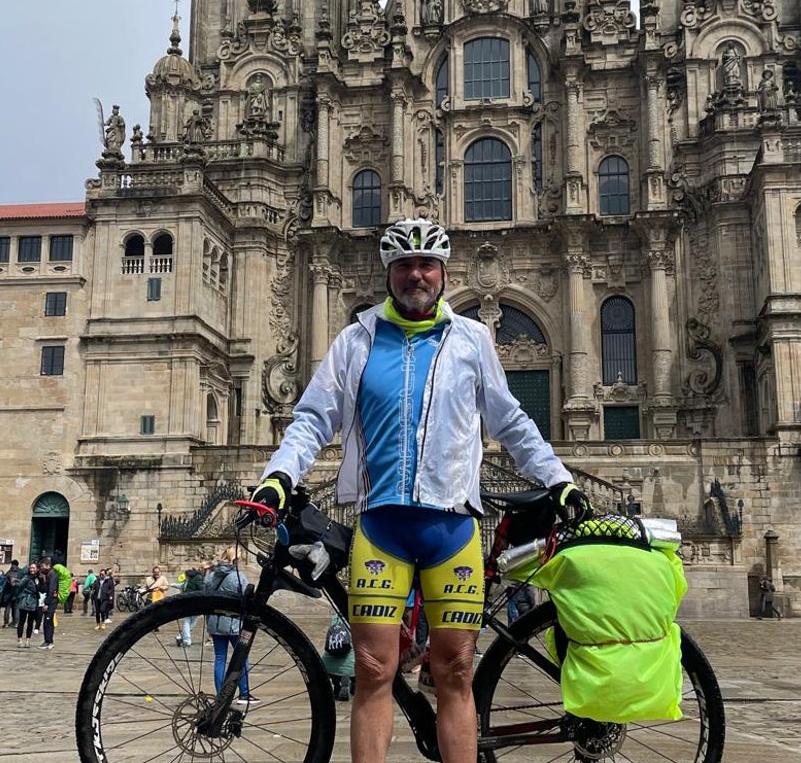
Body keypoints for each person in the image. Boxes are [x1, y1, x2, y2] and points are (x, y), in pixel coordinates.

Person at [248, 218, 589, 763]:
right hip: (380, 527)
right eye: (404, 265)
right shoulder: (354, 341)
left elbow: (512, 422)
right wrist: (279, 475)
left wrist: (558, 480)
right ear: (389, 273)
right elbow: (313, 419)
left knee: (455, 672)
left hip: (451, 528)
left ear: (443, 273)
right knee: (373, 670)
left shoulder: (472, 340)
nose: (416, 275)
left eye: (426, 265)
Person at [206, 547, 257, 704]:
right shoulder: (239, 577)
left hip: (215, 621)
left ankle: (221, 695)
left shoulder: (212, 575)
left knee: (220, 658)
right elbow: (247, 599)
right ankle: (244, 693)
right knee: (242, 657)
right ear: (236, 560)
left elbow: (205, 592)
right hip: (234, 622)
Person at [175, 562, 207, 648]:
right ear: (201, 569)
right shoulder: (199, 577)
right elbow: (202, 590)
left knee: (191, 621)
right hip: (195, 601)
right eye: (205, 569)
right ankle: (187, 640)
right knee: (189, 621)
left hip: (188, 600)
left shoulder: (191, 576)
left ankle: (181, 637)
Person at [15, 562, 42, 648]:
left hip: (34, 601)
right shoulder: (26, 577)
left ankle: (28, 640)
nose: (32, 570)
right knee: (21, 622)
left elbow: (41, 589)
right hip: (25, 600)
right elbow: (19, 586)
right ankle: (19, 640)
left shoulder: (38, 579)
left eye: (33, 568)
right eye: (31, 568)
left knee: (30, 622)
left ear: (37, 569)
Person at [37, 557, 58, 650]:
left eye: (42, 566)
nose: (41, 568)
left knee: (48, 621)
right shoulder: (47, 575)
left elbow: (51, 589)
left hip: (51, 602)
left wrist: (47, 603)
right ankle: (47, 640)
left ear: (48, 565)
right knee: (46, 621)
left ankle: (49, 641)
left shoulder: (52, 574)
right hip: (48, 600)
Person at [1, 560, 21, 627]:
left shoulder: (8, 573)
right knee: (16, 608)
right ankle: (16, 623)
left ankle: (6, 623)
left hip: (8, 593)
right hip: (17, 593)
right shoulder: (20, 572)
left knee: (7, 608)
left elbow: (4, 583)